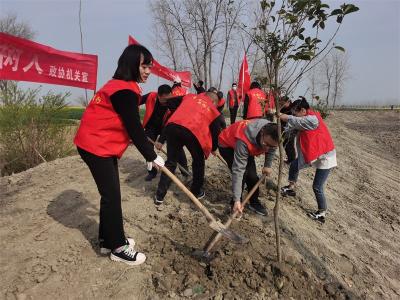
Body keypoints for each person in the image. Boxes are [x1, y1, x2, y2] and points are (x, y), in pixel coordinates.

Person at [74, 44, 165, 266]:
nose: (147, 71)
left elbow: (127, 126)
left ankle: (108, 240)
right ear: (131, 64)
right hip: (95, 145)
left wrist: (147, 149)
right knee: (112, 195)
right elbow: (134, 127)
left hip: (98, 144)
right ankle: (118, 248)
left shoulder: (120, 86)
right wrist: (151, 156)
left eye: (149, 67)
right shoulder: (123, 90)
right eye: (144, 66)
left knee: (110, 194)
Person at [154, 92, 222, 205]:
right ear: (213, 102)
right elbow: (215, 131)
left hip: (173, 126)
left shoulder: (189, 97)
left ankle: (159, 196)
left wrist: (180, 111)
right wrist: (214, 148)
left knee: (170, 163)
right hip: (193, 131)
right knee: (199, 163)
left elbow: (170, 101)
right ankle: (196, 192)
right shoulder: (212, 109)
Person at [279, 98, 337, 223]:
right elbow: (292, 126)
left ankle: (321, 213)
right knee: (294, 165)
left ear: (303, 110)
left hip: (325, 156)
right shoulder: (305, 117)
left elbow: (294, 120)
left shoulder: (312, 119)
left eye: (295, 112)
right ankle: (291, 187)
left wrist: (281, 115)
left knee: (317, 186)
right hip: (314, 152)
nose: (294, 114)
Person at [218, 119, 278, 216]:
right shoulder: (244, 139)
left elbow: (272, 147)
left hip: (248, 145)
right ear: (262, 132)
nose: (267, 149)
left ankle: (254, 202)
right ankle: (235, 203)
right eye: (266, 144)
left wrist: (267, 165)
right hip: (227, 145)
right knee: (243, 173)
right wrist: (237, 199)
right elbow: (238, 170)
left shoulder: (274, 132)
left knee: (253, 177)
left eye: (270, 146)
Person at [141, 84, 188, 181]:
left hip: (167, 127)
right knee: (147, 148)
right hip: (151, 127)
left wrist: (161, 141)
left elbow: (170, 124)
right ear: (159, 96)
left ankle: (185, 172)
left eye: (170, 98)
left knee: (177, 148)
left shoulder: (173, 102)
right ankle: (152, 172)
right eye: (165, 100)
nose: (168, 101)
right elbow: (135, 101)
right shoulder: (151, 96)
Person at [279, 96, 296, 164]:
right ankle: (290, 158)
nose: (281, 105)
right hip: (283, 128)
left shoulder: (292, 109)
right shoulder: (283, 108)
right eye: (281, 103)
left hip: (290, 129)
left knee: (289, 144)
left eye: (283, 103)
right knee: (285, 143)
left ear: (288, 102)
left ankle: (292, 160)